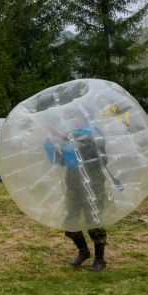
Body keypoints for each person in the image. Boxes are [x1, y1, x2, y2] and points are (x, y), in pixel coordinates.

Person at [43, 109, 108, 272]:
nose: (73, 120)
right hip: (73, 183)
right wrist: (50, 143)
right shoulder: (69, 135)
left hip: (93, 183)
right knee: (69, 219)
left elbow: (89, 145)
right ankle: (84, 251)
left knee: (94, 220)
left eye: (76, 117)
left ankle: (100, 259)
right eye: (71, 117)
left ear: (85, 117)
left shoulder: (94, 133)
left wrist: (63, 136)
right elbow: (60, 160)